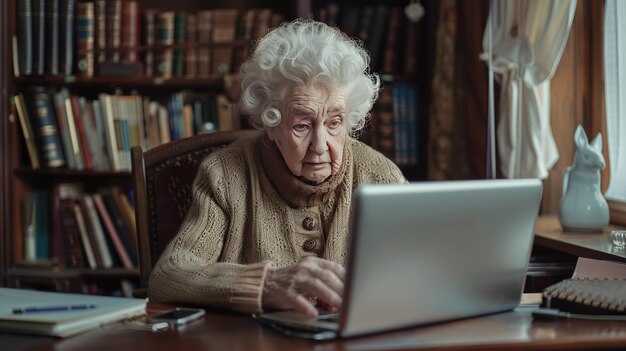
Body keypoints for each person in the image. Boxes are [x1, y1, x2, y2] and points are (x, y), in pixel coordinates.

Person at [148, 20, 407, 317]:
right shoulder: (225, 175)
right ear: (271, 124)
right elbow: (168, 277)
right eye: (302, 125)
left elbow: (422, 272)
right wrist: (265, 284)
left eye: (334, 123)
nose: (320, 145)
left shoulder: (381, 177)